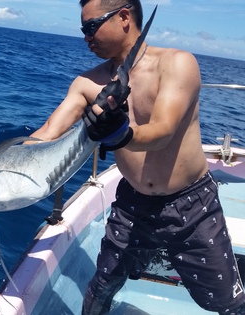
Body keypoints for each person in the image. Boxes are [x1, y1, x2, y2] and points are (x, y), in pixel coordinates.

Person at [28, 0, 245, 314]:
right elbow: (48, 132)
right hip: (133, 203)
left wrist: (121, 134)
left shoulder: (177, 64)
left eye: (91, 27)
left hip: (190, 204)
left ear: (124, 16)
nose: (86, 37)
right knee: (100, 290)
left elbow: (163, 131)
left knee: (228, 303)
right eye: (82, 29)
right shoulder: (87, 83)